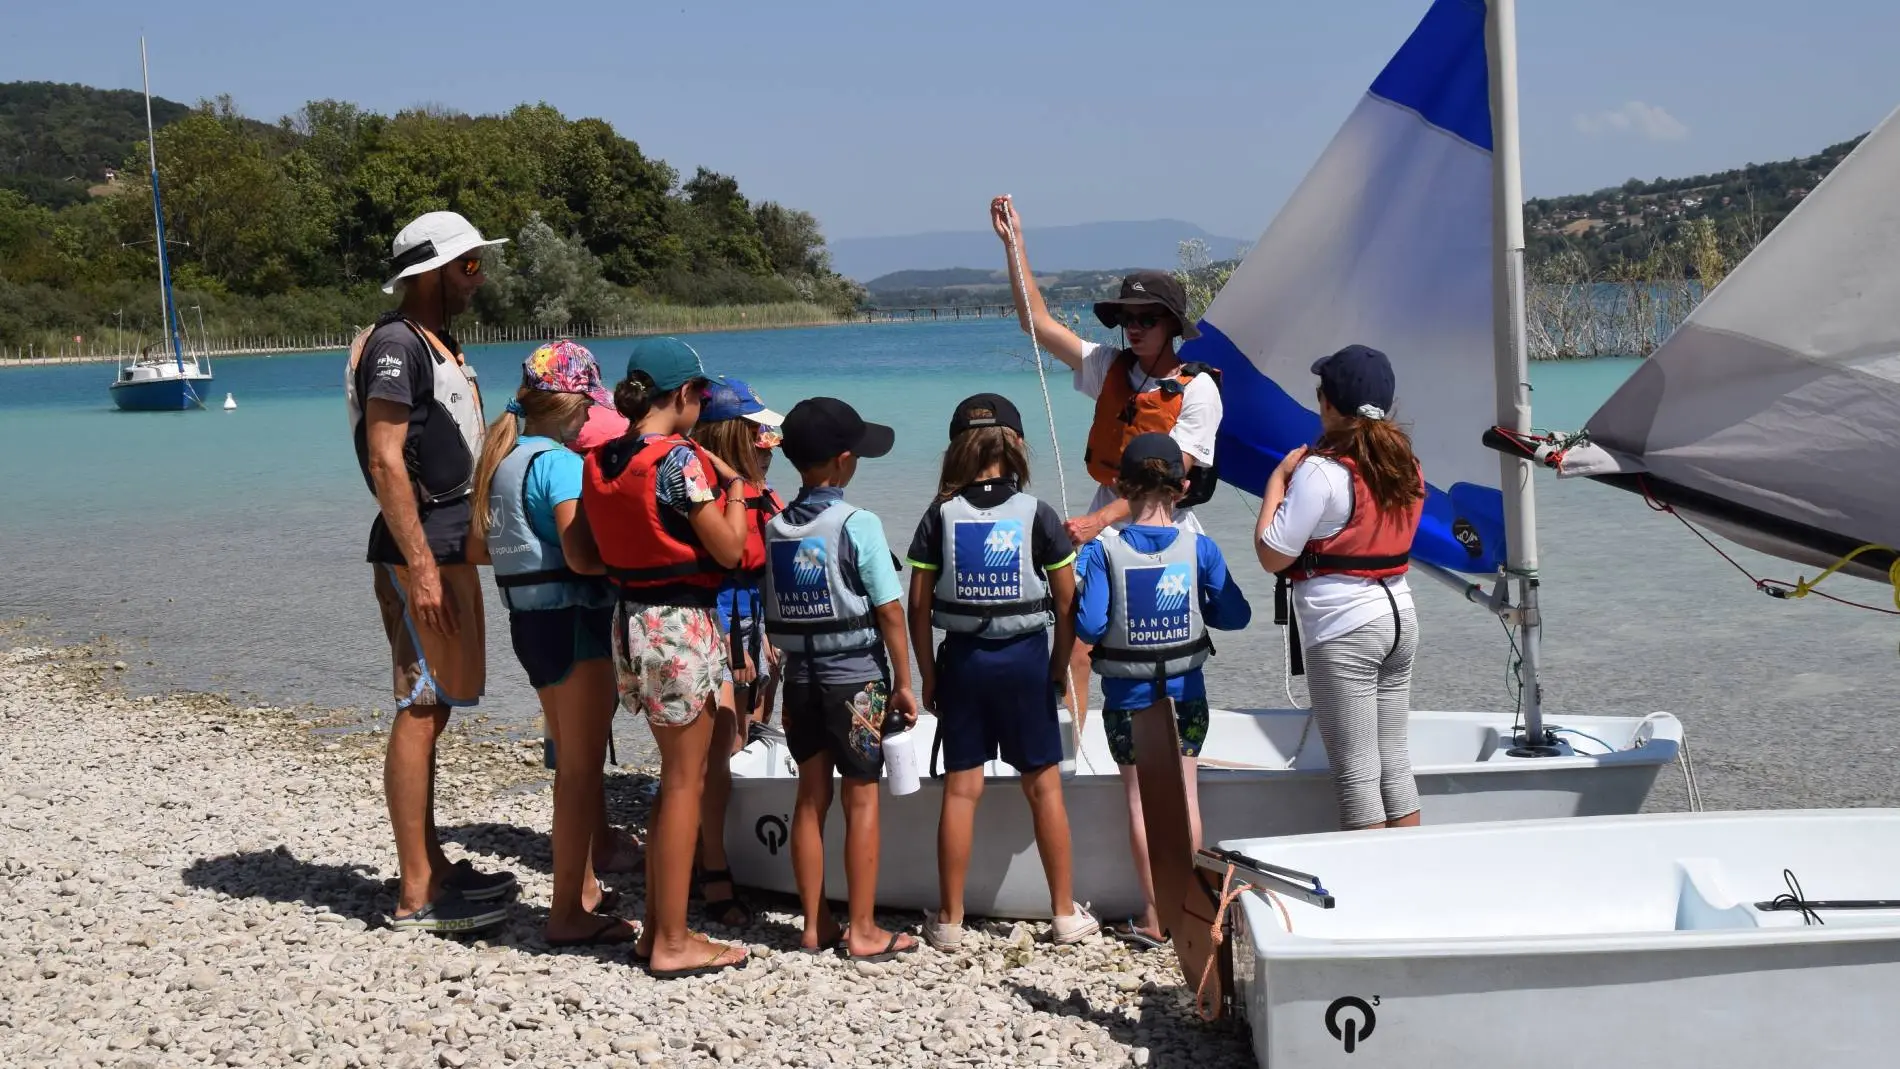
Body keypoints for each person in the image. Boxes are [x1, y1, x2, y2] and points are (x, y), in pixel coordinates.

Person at [989, 195, 1224, 730]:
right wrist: (1015, 243)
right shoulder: (1107, 366)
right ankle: (1080, 743)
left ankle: (1171, 741)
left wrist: (1097, 521)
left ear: (1171, 324)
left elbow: (1172, 479)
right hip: (1104, 519)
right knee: (1076, 636)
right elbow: (1036, 322)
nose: (1134, 328)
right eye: (1126, 319)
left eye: (1147, 319)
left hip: (1165, 528)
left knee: (1156, 639)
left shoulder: (1199, 390)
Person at [344, 210, 515, 932]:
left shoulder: (433, 343)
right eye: (469, 265)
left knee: (434, 703)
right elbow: (385, 457)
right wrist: (420, 565)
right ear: (432, 273)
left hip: (445, 549)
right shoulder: (396, 344)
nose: (479, 278)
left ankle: (431, 860)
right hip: (422, 553)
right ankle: (416, 887)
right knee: (419, 704)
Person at [573, 336, 752, 979]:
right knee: (685, 781)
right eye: (701, 393)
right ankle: (674, 940)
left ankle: (658, 930)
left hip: (632, 623)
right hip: (679, 625)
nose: (704, 403)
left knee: (671, 778)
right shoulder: (681, 463)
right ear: (682, 395)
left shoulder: (601, 457)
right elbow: (730, 552)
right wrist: (734, 487)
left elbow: (585, 553)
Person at [905, 393, 1099, 949]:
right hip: (1025, 663)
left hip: (963, 661)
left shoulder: (938, 515)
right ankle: (1064, 915)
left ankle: (948, 920)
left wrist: (927, 674)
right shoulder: (1035, 514)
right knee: (1044, 787)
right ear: (1015, 445)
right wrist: (1059, 667)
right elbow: (1067, 603)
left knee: (961, 791)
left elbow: (918, 605)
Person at [466, 340, 632, 946]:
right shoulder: (559, 464)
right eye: (590, 407)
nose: (592, 419)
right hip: (575, 623)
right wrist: (629, 562)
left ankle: (581, 887)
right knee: (581, 771)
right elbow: (583, 554)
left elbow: (478, 550)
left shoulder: (502, 460)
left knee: (568, 756)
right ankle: (567, 911)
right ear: (573, 405)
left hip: (529, 626)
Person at [1075, 433, 1251, 947]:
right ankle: (1191, 911)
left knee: (1140, 802)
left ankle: (1154, 916)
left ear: (1118, 486)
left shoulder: (1104, 552)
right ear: (1184, 486)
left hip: (1129, 703)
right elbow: (1236, 615)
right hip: (1186, 696)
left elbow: (1089, 625)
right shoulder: (1201, 548)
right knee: (1186, 797)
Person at [761, 397, 920, 962]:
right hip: (856, 681)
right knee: (861, 800)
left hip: (800, 680)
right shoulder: (858, 524)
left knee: (809, 798)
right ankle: (863, 928)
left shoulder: (775, 527)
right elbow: (890, 610)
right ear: (844, 461)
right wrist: (905, 681)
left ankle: (812, 924)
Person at [1252, 345, 1425, 831]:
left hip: (1346, 629)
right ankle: (1409, 875)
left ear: (1328, 404)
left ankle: (1369, 892)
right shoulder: (1406, 464)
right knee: (1393, 758)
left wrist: (1276, 481)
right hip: (1399, 619)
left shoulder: (1319, 472)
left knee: (1357, 774)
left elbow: (1272, 554)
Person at [684, 375, 787, 928]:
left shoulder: (757, 493)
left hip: (753, 624)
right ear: (731, 438)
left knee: (746, 733)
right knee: (718, 745)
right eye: (759, 439)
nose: (769, 452)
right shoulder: (703, 492)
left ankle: (738, 845)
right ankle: (711, 861)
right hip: (716, 624)